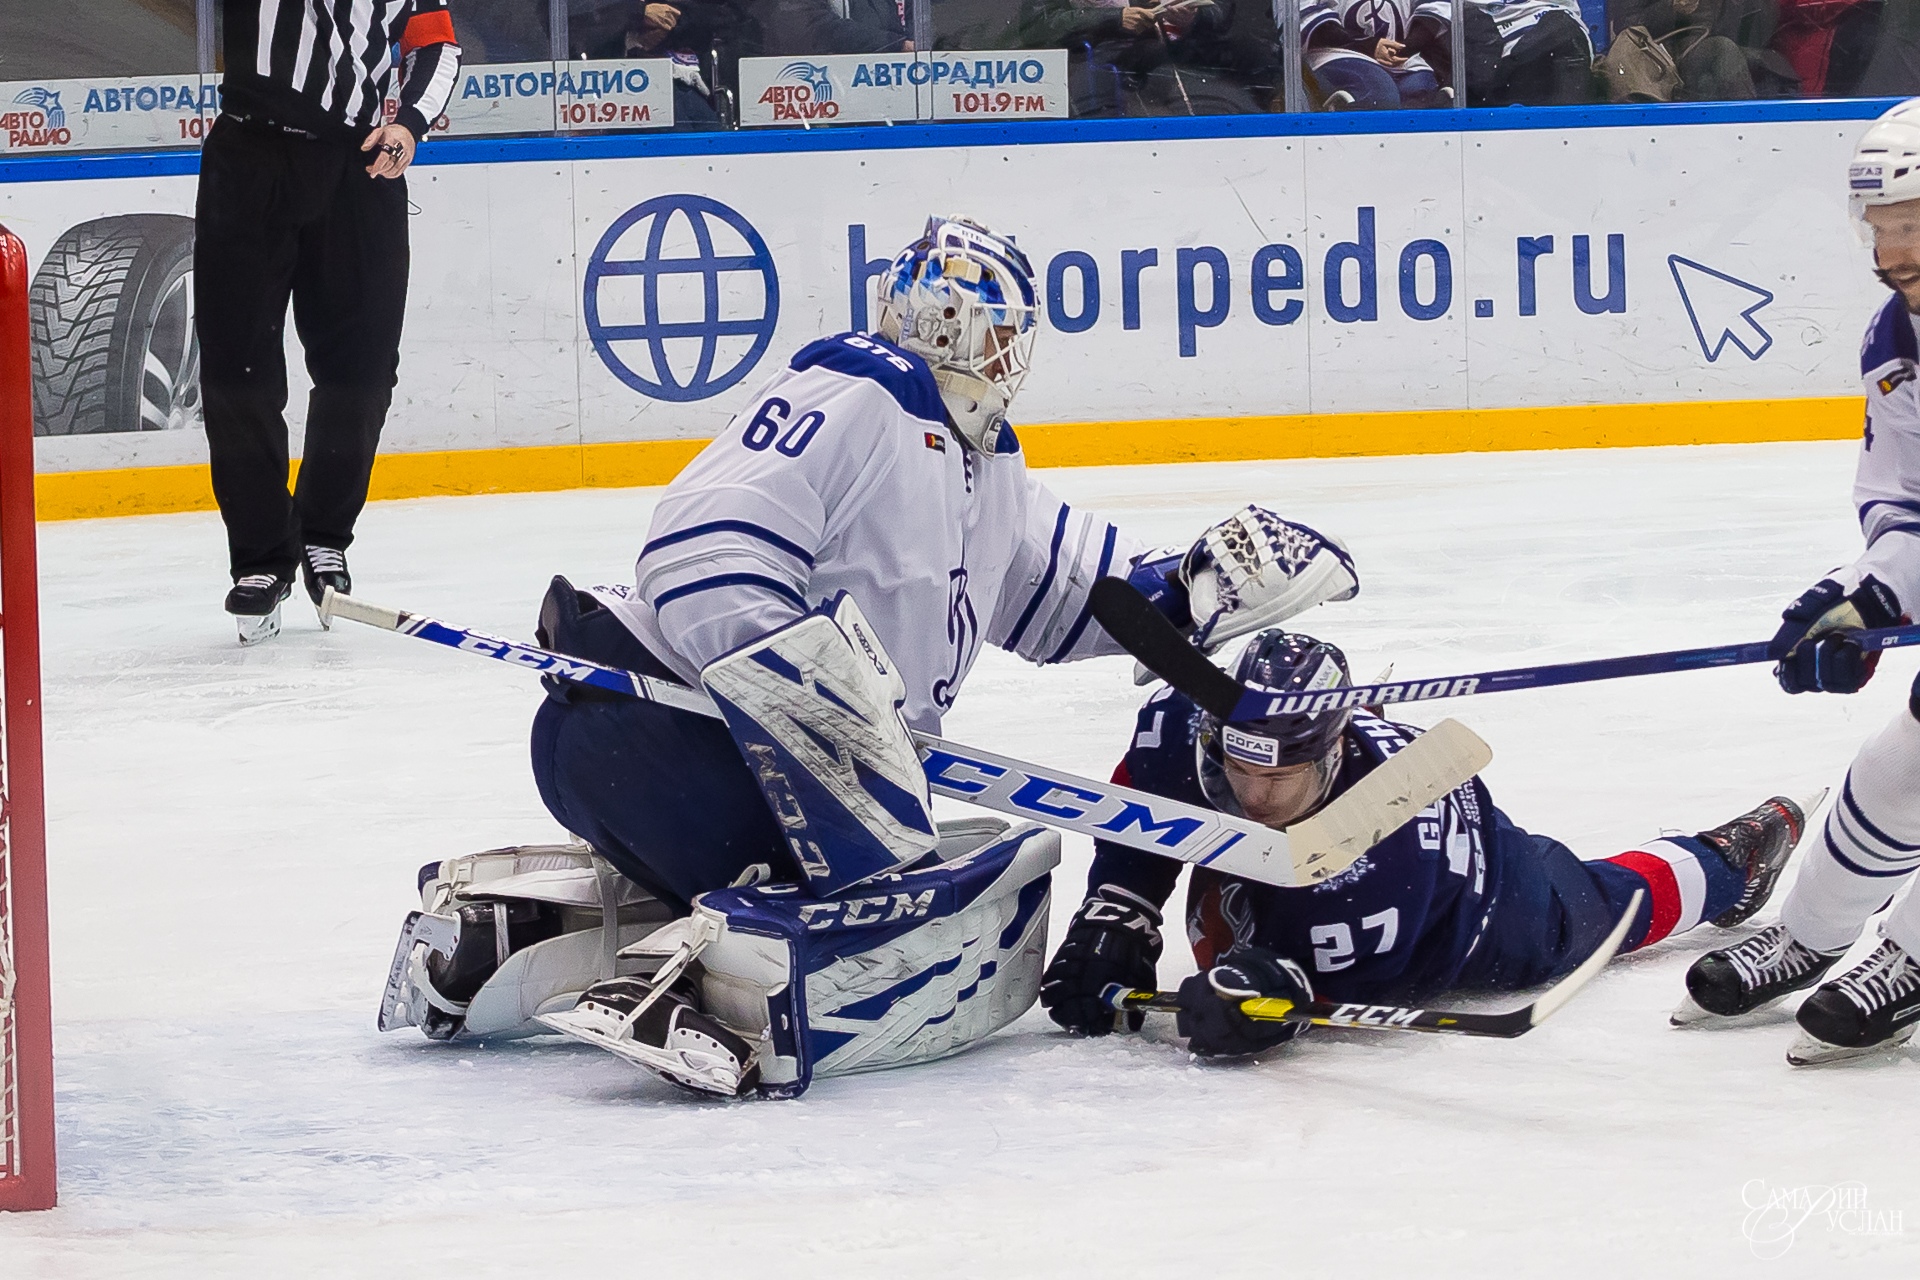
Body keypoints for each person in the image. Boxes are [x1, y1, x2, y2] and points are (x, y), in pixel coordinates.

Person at [378, 216, 1363, 1095]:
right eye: (1006, 331)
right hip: (662, 726)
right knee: (903, 888)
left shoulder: (985, 463)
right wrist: (823, 711)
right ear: (982, 334)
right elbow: (701, 546)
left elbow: (1079, 598)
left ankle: (496, 937)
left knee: (860, 865)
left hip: (658, 759)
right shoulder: (861, 387)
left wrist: (1207, 582)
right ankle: (715, 998)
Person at [1039, 628, 1814, 1060]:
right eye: (1237, 769)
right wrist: (1123, 903)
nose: (1255, 798)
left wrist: (1266, 996)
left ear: (1334, 757)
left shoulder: (1371, 877)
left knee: (1602, 903)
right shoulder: (1190, 722)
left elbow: (1315, 985)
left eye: (1285, 780)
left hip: (1475, 908)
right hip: (1390, 842)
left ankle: (1728, 862)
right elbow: (1147, 786)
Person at [1676, 99, 1920, 1066]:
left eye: (1914, 224)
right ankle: (1813, 936)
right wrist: (1866, 598)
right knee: (1906, 760)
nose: (1890, 252)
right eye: (1881, 229)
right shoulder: (1898, 341)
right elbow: (1903, 500)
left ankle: (1908, 954)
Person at [197, 1, 461, 645]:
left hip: (361, 164)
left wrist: (414, 124)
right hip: (251, 154)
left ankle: (322, 536)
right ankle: (261, 556)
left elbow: (438, 46)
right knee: (239, 367)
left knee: (364, 367)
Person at [1304, 0, 1451, 110]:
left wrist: (1404, 49)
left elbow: (1435, 9)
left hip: (1402, 57)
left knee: (1420, 92)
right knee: (1379, 96)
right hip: (1337, 52)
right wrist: (1370, 45)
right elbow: (1310, 20)